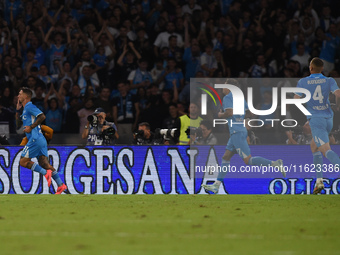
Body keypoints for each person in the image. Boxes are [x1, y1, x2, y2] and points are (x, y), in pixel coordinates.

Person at [202, 80, 284, 194]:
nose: (223, 88)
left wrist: (220, 115)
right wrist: (245, 124)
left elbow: (229, 113)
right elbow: (249, 113)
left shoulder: (228, 98)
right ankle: (216, 185)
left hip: (237, 132)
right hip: (238, 131)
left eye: (225, 85)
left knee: (248, 160)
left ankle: (275, 163)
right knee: (226, 157)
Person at [294, 57, 340, 194]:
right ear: (322, 69)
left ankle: (320, 180)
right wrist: (337, 107)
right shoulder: (329, 80)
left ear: (310, 68)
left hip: (316, 119)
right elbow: (338, 94)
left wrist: (307, 105)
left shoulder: (303, 82)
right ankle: (319, 182)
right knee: (314, 146)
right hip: (328, 118)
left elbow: (296, 100)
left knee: (325, 149)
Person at [16, 87, 67, 194]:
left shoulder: (30, 106)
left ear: (25, 96)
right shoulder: (25, 109)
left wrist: (31, 127)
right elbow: (17, 125)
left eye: (20, 94)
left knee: (23, 161)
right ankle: (61, 185)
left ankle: (45, 173)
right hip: (40, 139)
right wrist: (17, 109)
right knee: (45, 163)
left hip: (35, 139)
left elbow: (42, 116)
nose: (18, 96)